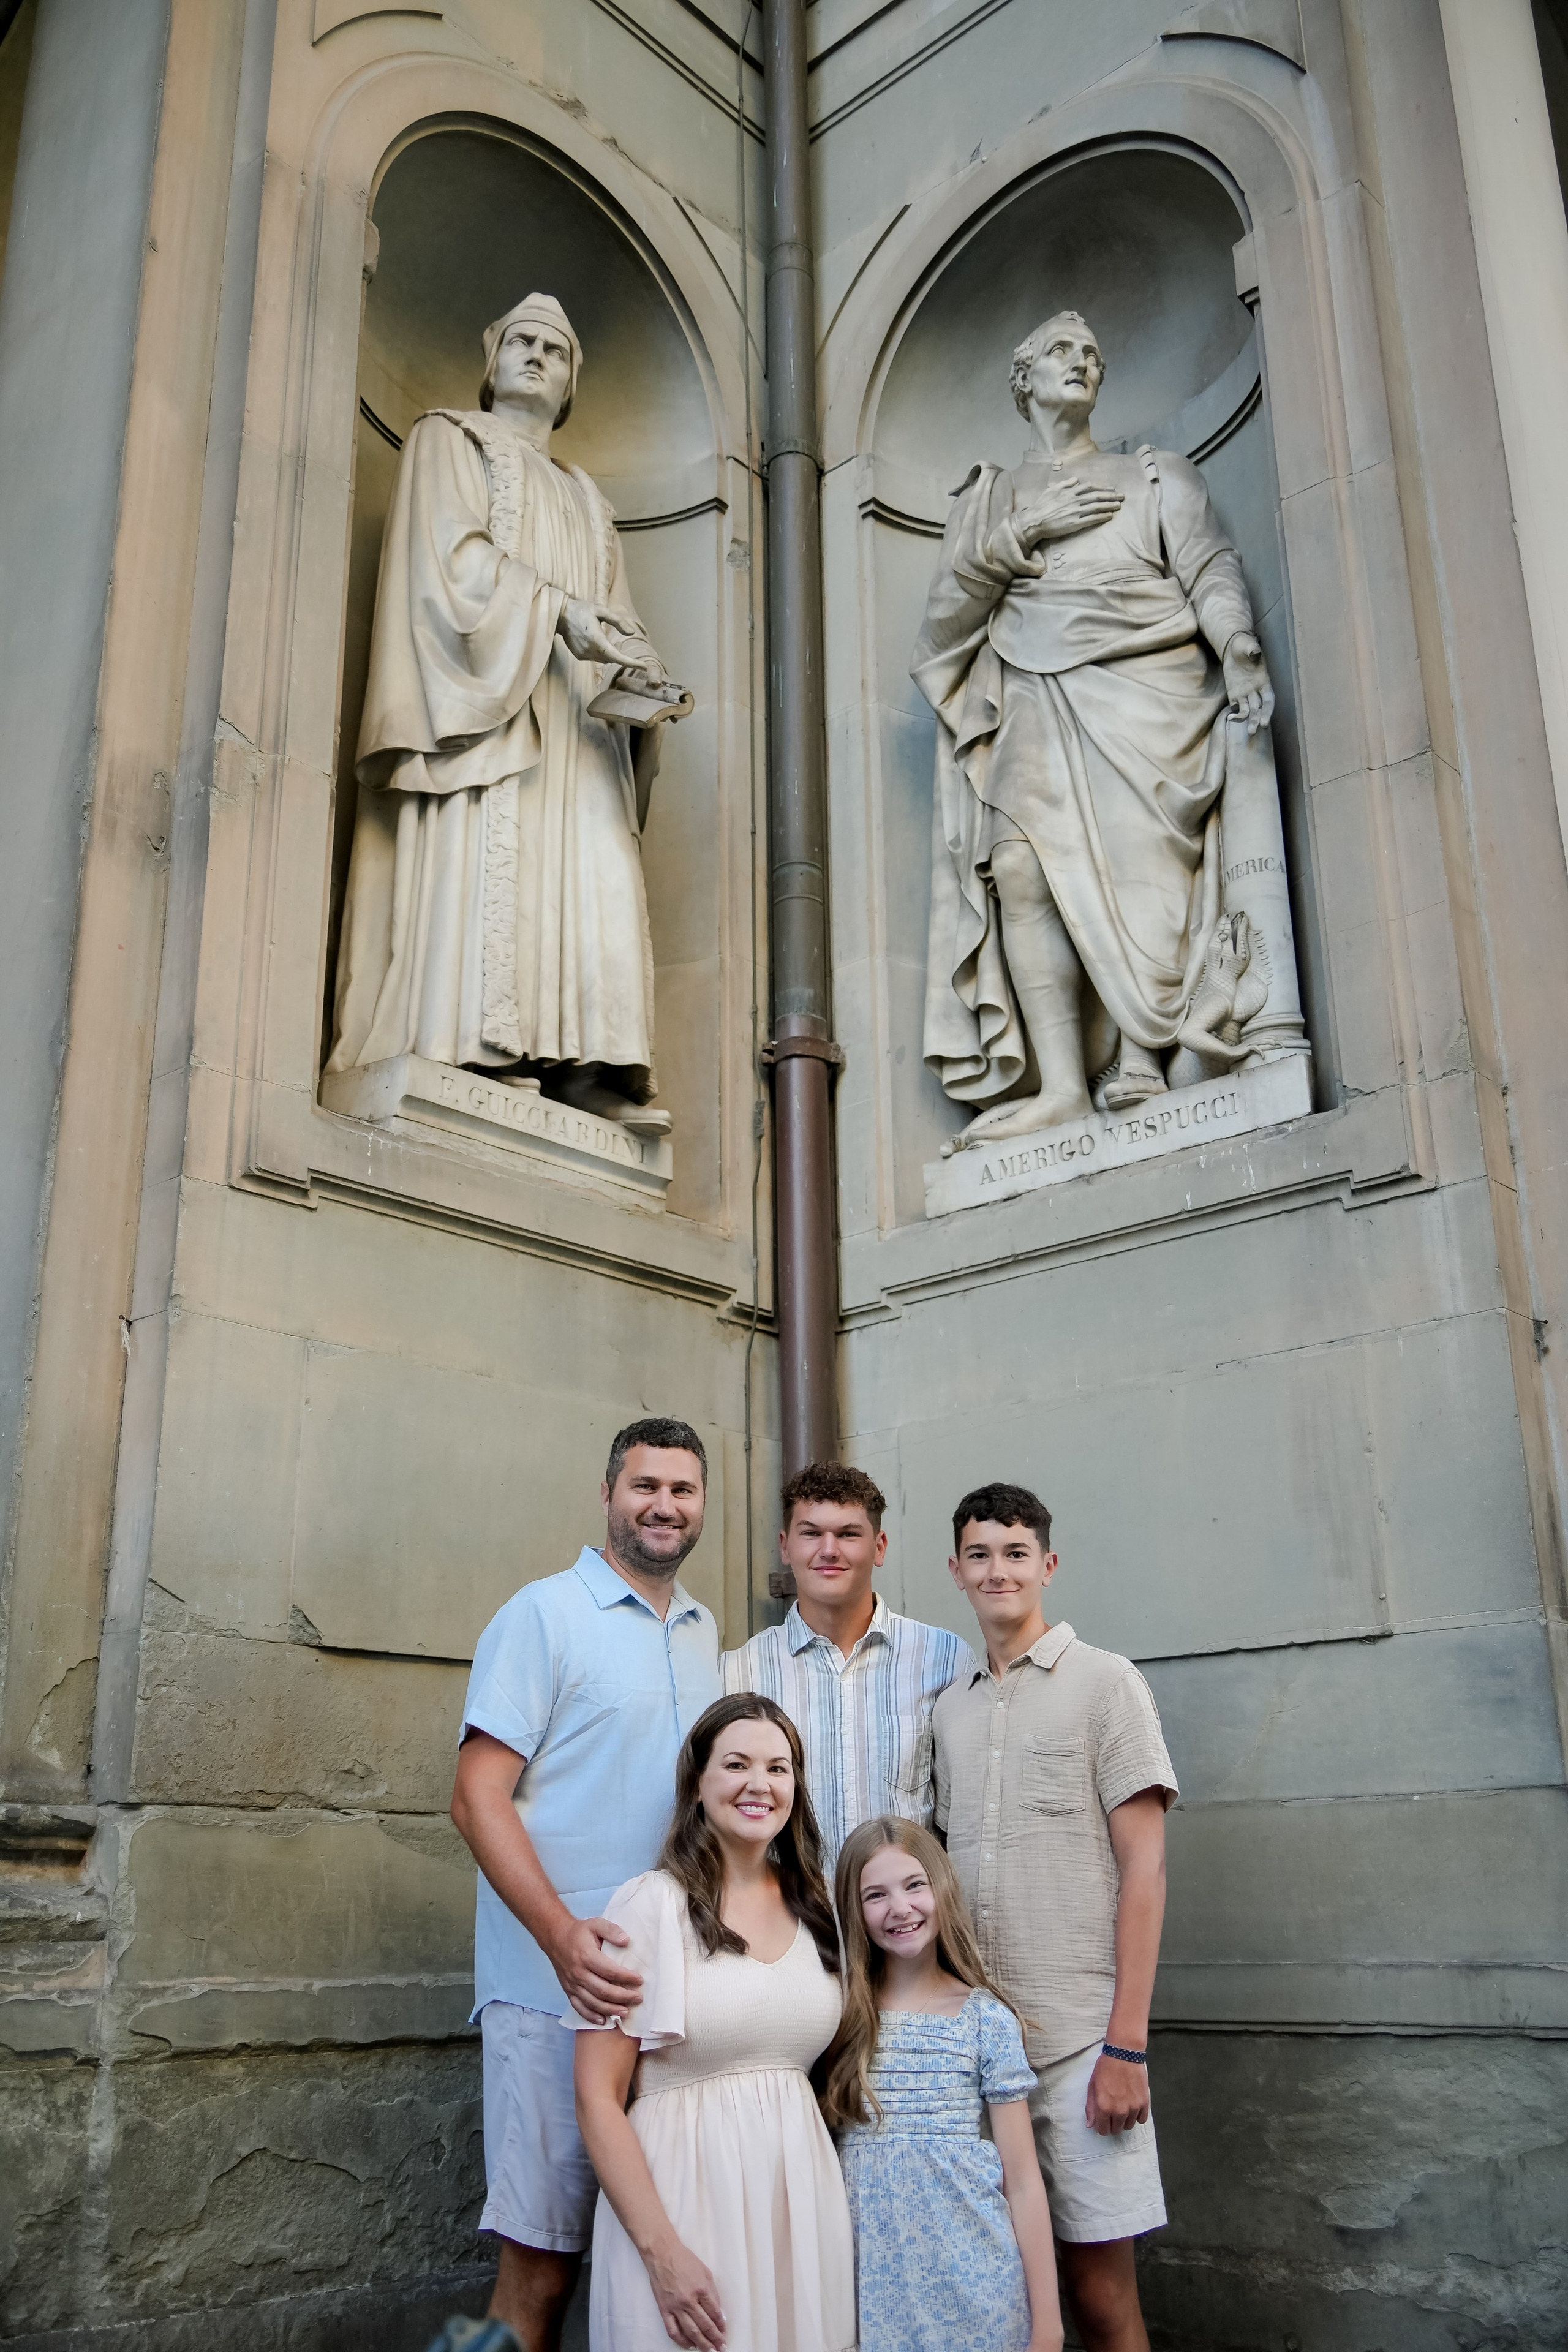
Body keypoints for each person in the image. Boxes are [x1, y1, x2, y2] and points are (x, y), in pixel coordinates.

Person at [915, 309, 1280, 1145]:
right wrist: (1019, 536)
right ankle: (1063, 1090)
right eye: (1060, 351)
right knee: (1019, 866)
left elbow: (1209, 566)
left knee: (1136, 869)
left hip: (1150, 695)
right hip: (1032, 692)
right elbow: (940, 630)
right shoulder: (990, 498)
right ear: (1024, 380)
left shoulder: (1156, 477)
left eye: (1092, 353)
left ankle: (1145, 1054)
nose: (1081, 362)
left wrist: (1236, 643)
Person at [329, 290, 682, 1131]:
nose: (537, 356)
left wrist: (639, 670)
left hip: (578, 724)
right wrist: (556, 611)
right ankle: (472, 1045)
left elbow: (615, 612)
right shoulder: (448, 439)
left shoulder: (588, 498)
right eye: (522, 341)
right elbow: (445, 564)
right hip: (484, 704)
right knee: (493, 859)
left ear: (570, 383)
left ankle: (586, 1066)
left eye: (556, 351)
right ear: (492, 362)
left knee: (595, 863)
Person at [449, 1418, 721, 2351]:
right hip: (551, 1993)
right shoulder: (543, 1614)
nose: (663, 1505)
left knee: (654, 2258)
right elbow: (476, 1798)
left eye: (682, 1490)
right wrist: (561, 1937)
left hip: (665, 2000)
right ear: (607, 1495)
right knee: (542, 2267)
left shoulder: (703, 1632)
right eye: (645, 1486)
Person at [933, 1482, 1178, 2352]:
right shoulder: (949, 1707)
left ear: (1048, 1564)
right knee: (993, 2288)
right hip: (975, 2051)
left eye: (1015, 1552)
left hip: (1081, 2043)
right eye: (979, 1554)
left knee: (1099, 2295)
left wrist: (1126, 2047)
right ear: (955, 1570)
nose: (997, 1570)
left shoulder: (1107, 1684)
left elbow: (1145, 1867)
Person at [569, 1694, 857, 2352]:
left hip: (797, 2210)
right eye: (736, 1764)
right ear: (697, 1784)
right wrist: (662, 2253)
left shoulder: (817, 1905)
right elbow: (595, 2097)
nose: (759, 1784)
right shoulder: (651, 1905)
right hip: (682, 2208)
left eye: (778, 1768)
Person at [823, 1817, 1064, 2352]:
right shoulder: (839, 2015)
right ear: (854, 1911)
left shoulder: (985, 2019)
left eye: (914, 1885)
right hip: (870, 2285)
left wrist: (1049, 2324)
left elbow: (1024, 2180)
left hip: (974, 2281)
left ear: (942, 1888)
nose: (900, 1908)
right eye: (875, 1895)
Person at [723, 1462, 975, 1868]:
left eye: (848, 1534)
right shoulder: (739, 1672)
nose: (829, 1550)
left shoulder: (946, 1659)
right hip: (788, 1907)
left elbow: (963, 1816)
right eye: (811, 1533)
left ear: (879, 1547)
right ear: (785, 1546)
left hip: (902, 1906)